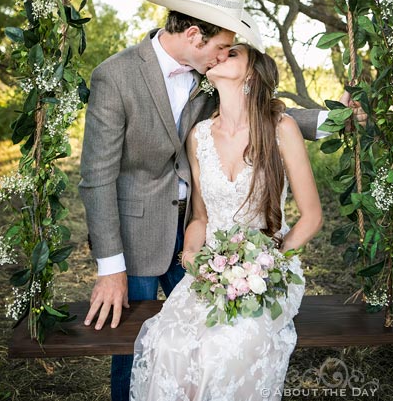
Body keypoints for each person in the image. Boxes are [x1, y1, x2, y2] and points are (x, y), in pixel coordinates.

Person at [78, 0, 363, 401]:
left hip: (208, 234)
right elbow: (96, 177)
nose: (222, 55)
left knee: (211, 343)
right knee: (142, 346)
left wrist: (334, 120)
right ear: (194, 35)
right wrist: (109, 267)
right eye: (221, 47)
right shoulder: (115, 77)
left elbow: (265, 114)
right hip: (139, 230)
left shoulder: (208, 73)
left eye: (230, 51)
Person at [129, 43, 323, 400]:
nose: (219, 55)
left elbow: (311, 216)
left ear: (252, 73)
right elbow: (201, 215)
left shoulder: (282, 129)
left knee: (225, 348)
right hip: (212, 272)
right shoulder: (199, 136)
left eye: (232, 53)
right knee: (169, 343)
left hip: (268, 272)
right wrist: (189, 252)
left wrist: (270, 261)